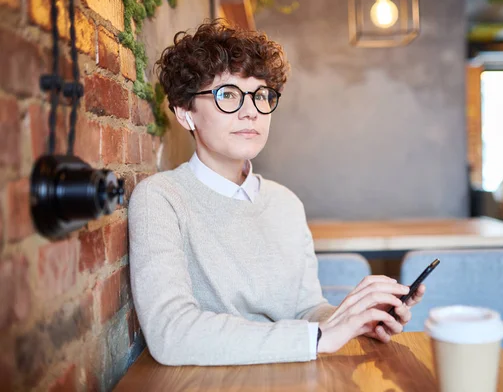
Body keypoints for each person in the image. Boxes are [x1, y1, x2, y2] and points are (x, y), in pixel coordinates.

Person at [128, 20, 425, 366]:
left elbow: (306, 310)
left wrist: (355, 318)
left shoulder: (285, 202)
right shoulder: (160, 199)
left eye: (262, 95)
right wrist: (317, 338)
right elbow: (171, 334)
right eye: (228, 95)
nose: (251, 110)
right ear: (184, 112)